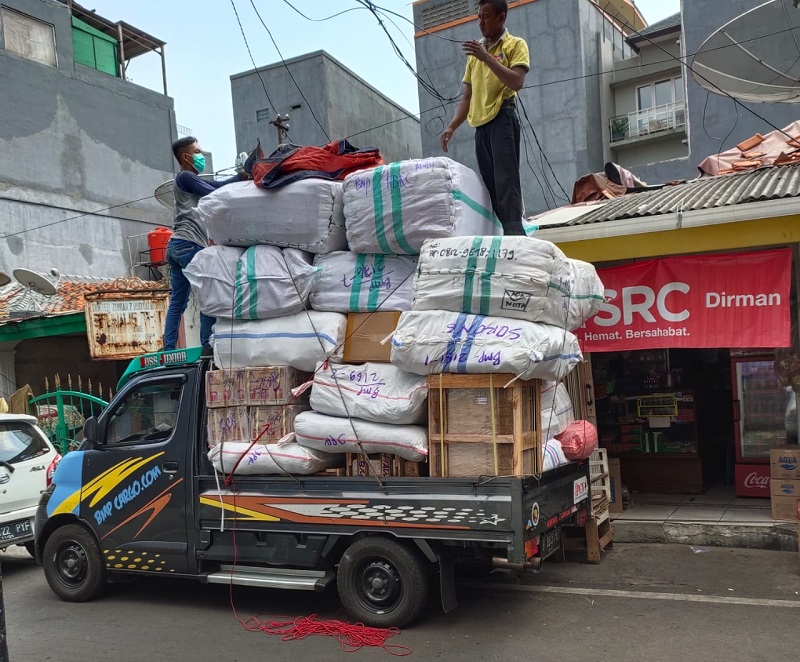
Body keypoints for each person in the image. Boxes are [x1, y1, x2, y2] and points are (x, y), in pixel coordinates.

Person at [440, 0, 529, 235]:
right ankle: (501, 232)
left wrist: (487, 57)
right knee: (490, 186)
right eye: (479, 17)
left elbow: (517, 81)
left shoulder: (514, 44)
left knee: (506, 181)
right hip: (481, 126)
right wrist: (452, 127)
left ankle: (514, 234)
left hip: (502, 117)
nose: (481, 22)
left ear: (501, 17)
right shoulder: (475, 55)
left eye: (486, 17)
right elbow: (467, 97)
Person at [163, 136, 246, 356]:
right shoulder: (186, 176)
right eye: (197, 152)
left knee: (178, 301)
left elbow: (213, 186)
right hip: (189, 244)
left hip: (176, 245)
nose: (201, 156)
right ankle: (207, 343)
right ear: (185, 157)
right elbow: (214, 190)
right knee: (207, 291)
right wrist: (239, 177)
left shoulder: (188, 180)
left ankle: (169, 347)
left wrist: (238, 177)